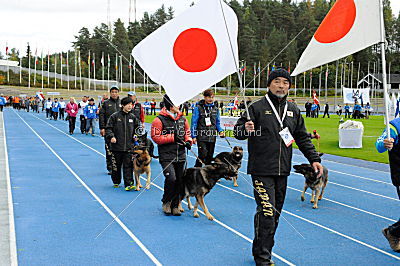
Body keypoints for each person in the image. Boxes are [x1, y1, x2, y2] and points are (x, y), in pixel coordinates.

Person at [234, 69, 322, 266]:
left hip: (283, 171)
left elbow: (300, 137)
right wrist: (244, 129)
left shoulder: (293, 110)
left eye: (285, 82)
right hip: (261, 170)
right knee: (266, 212)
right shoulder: (255, 108)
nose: (281, 86)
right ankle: (263, 259)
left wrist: (314, 159)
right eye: (277, 82)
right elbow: (237, 132)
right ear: (269, 84)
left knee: (274, 215)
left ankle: (261, 250)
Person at [151, 94, 192, 215]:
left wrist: (189, 141)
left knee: (180, 181)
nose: (178, 105)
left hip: (181, 155)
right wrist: (172, 138)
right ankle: (166, 201)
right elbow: (156, 137)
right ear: (169, 104)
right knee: (171, 178)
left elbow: (187, 133)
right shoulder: (158, 120)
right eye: (176, 103)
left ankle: (175, 205)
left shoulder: (183, 119)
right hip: (166, 155)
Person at [106, 97, 142, 191]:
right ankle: (116, 181)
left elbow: (138, 129)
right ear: (122, 105)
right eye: (128, 104)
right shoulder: (114, 116)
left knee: (128, 166)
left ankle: (129, 183)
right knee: (116, 167)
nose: (130, 106)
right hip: (116, 147)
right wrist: (111, 136)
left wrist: (136, 135)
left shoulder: (133, 117)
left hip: (129, 148)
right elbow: (108, 128)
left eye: (131, 104)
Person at [376, 117, 400, 252]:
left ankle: (394, 232)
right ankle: (394, 232)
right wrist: (385, 144)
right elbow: (379, 145)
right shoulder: (395, 126)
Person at [191, 89, 224, 167]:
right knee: (202, 154)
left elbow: (217, 122)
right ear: (205, 97)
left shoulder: (216, 109)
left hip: (212, 136)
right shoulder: (198, 108)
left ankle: (208, 175)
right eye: (209, 97)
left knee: (209, 156)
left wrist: (220, 131)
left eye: (212, 97)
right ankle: (196, 171)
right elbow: (194, 123)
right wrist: (193, 136)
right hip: (201, 136)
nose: (211, 99)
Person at [99, 86, 121, 175]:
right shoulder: (106, 103)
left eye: (116, 92)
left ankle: (120, 166)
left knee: (120, 149)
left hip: (120, 130)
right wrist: (102, 128)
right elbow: (101, 116)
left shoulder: (121, 103)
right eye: (112, 92)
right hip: (109, 130)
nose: (114, 93)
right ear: (110, 93)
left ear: (118, 93)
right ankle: (110, 167)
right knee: (109, 149)